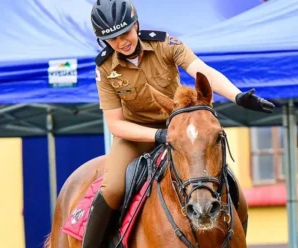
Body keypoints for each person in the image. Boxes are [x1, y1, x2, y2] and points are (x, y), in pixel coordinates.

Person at [83, 0, 275, 247]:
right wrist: (159, 137)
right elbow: (115, 124)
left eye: (125, 33)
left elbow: (201, 71)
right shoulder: (105, 67)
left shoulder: (166, 43)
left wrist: (237, 96)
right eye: (113, 39)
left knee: (229, 181)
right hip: (135, 135)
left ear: (136, 25)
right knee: (112, 188)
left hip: (180, 130)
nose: (122, 42)